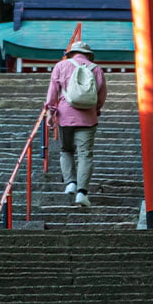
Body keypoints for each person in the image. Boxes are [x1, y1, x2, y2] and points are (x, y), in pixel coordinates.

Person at [44, 40, 107, 208]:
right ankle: (82, 193)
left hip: (65, 116)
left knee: (66, 150)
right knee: (85, 154)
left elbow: (53, 92)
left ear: (71, 53)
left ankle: (70, 182)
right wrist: (96, 109)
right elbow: (101, 96)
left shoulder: (61, 66)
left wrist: (50, 111)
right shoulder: (96, 69)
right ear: (88, 55)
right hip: (88, 118)